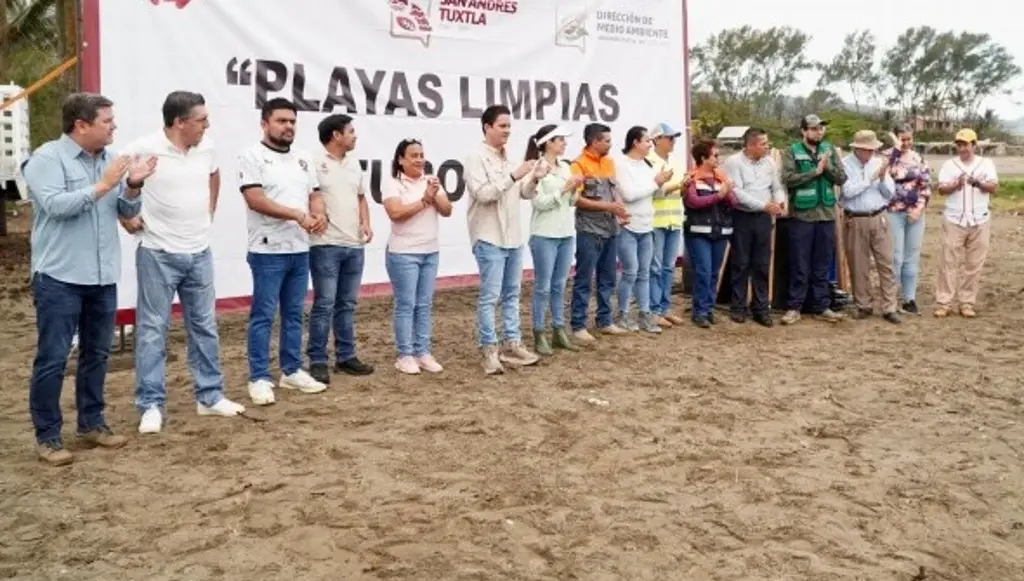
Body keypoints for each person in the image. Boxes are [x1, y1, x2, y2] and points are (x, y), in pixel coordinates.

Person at [23, 92, 154, 465]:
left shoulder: (112, 161)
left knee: (96, 353)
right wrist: (103, 185)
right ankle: (48, 436)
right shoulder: (47, 159)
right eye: (106, 121)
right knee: (53, 358)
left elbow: (126, 212)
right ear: (81, 125)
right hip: (59, 276)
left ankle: (92, 423)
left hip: (101, 275)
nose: (114, 126)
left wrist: (132, 185)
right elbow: (55, 206)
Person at [123, 91, 246, 435]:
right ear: (179, 122)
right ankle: (150, 404)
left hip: (199, 252)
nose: (207, 125)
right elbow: (121, 190)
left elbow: (214, 174)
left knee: (204, 325)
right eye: (201, 120)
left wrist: (208, 213)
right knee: (151, 330)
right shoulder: (142, 148)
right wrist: (127, 217)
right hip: (157, 254)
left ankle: (209, 396)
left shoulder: (207, 148)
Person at [239, 98, 328, 404]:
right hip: (267, 250)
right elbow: (256, 199)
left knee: (294, 314)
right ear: (265, 123)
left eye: (292, 121)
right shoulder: (251, 156)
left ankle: (291, 370)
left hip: (299, 248)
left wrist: (319, 214)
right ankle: (259, 377)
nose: (288, 126)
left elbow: (314, 194)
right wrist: (297, 215)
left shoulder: (303, 158)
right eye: (281, 121)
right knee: (263, 314)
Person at [464, 104, 547, 375]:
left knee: (512, 294)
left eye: (509, 126)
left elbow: (524, 193)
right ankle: (489, 349)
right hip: (489, 236)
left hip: (513, 236)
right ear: (487, 127)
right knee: (490, 296)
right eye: (502, 126)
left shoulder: (510, 159)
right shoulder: (475, 157)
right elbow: (484, 194)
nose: (507, 131)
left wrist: (533, 178)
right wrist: (515, 175)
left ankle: (512, 343)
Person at [306, 114, 375, 384]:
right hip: (325, 244)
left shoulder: (354, 163)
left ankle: (346, 355)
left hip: (353, 244)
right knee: (324, 304)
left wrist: (366, 223)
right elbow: (308, 196)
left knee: (346, 303)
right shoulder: (313, 161)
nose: (355, 135)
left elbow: (361, 198)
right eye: (351, 131)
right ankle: (318, 359)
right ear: (336, 135)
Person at [382, 139, 453, 374]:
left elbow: (447, 210)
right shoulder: (393, 183)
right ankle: (405, 354)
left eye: (422, 154)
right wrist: (424, 200)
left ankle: (423, 351)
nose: (419, 159)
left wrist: (434, 193)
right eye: (413, 155)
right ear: (401, 159)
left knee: (424, 304)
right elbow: (396, 213)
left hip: (430, 251)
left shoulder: (430, 181)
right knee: (406, 304)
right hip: (403, 253)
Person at [779, 114, 848, 325]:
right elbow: (788, 179)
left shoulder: (830, 150)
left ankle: (822, 306)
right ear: (804, 131)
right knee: (799, 264)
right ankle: (794, 307)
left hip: (826, 215)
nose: (819, 132)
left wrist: (826, 168)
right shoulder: (792, 151)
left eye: (821, 128)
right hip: (802, 216)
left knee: (822, 264)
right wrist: (814, 172)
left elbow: (842, 178)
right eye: (814, 128)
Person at [524, 124, 584, 355]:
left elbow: (570, 203)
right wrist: (564, 190)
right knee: (543, 286)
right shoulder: (537, 167)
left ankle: (559, 329)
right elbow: (538, 202)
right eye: (559, 139)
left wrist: (574, 190)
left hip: (565, 232)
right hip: (544, 233)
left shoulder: (565, 167)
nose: (564, 143)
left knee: (560, 285)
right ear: (548, 143)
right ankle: (539, 332)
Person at [569, 123, 631, 341]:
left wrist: (620, 209)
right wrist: (609, 208)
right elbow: (576, 200)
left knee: (608, 278)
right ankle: (578, 324)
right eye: (606, 140)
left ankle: (605, 320)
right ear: (594, 141)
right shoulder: (578, 165)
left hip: (610, 228)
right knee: (584, 278)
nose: (610, 144)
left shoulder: (610, 162)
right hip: (589, 229)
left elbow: (614, 191)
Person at [722, 127, 786, 327]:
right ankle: (738, 307)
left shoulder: (769, 162)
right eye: (763, 144)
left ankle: (760, 308)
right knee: (741, 262)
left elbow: (776, 186)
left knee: (761, 263)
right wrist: (764, 205)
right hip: (742, 216)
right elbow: (737, 192)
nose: (768, 147)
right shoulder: (734, 162)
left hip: (763, 218)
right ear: (751, 145)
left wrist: (780, 201)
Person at [933, 128, 999, 318]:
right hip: (954, 219)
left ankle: (967, 302)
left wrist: (977, 183)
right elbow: (941, 189)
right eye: (959, 144)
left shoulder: (985, 164)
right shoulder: (949, 165)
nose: (962, 148)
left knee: (974, 264)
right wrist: (955, 185)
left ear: (974, 145)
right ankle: (944, 302)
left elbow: (993, 186)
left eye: (966, 145)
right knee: (948, 262)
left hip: (980, 218)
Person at [839, 130, 900, 324]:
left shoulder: (879, 162)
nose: (871, 153)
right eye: (868, 149)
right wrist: (870, 179)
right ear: (857, 149)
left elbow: (889, 193)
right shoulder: (845, 165)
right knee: (858, 265)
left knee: (886, 263)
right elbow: (847, 192)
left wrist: (882, 178)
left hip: (879, 215)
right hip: (855, 218)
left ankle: (889, 306)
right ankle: (863, 304)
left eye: (873, 149)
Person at [615, 126, 671, 333]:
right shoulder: (621, 165)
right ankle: (622, 314)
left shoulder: (648, 166)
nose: (651, 144)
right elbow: (628, 194)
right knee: (630, 271)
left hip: (647, 225)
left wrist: (660, 185)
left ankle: (644, 315)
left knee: (644, 273)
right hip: (629, 225)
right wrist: (654, 183)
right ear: (635, 142)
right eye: (647, 140)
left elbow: (656, 195)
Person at [683, 140, 737, 328]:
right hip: (699, 232)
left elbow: (733, 203)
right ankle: (699, 312)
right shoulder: (692, 178)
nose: (718, 158)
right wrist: (718, 196)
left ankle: (708, 309)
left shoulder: (721, 177)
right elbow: (693, 202)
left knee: (714, 273)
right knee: (703, 272)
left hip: (720, 230)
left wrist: (728, 193)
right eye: (715, 155)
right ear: (703, 158)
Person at [886, 125, 931, 315]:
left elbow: (926, 186)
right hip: (893, 211)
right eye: (902, 139)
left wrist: (918, 209)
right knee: (895, 256)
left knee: (911, 257)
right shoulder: (887, 157)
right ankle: (890, 298)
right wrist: (895, 150)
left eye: (908, 139)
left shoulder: (918, 159)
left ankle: (909, 298)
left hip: (914, 214)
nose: (905, 143)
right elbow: (883, 175)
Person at [647, 122, 688, 327]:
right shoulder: (648, 161)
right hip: (655, 220)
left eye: (674, 138)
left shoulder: (676, 162)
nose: (673, 142)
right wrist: (678, 185)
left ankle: (664, 307)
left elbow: (677, 191)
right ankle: (654, 310)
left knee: (668, 267)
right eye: (669, 138)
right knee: (655, 267)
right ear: (657, 139)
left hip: (674, 220)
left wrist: (684, 187)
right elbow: (654, 191)